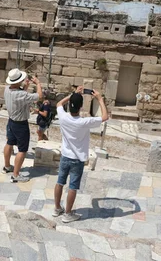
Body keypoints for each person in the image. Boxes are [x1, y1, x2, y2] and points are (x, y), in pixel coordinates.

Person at [53, 87, 108, 223]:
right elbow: (105, 117)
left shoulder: (63, 116)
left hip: (65, 156)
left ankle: (57, 208)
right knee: (73, 186)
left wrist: (73, 94)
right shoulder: (84, 122)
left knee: (60, 182)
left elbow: (59, 104)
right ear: (81, 107)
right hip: (77, 159)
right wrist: (100, 99)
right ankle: (68, 213)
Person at [3, 68, 43, 183]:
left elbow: (21, 96)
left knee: (9, 143)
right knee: (22, 149)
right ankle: (16, 175)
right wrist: (38, 83)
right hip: (21, 124)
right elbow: (39, 96)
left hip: (11, 121)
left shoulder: (7, 89)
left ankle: (7, 166)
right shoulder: (20, 94)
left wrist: (25, 87)